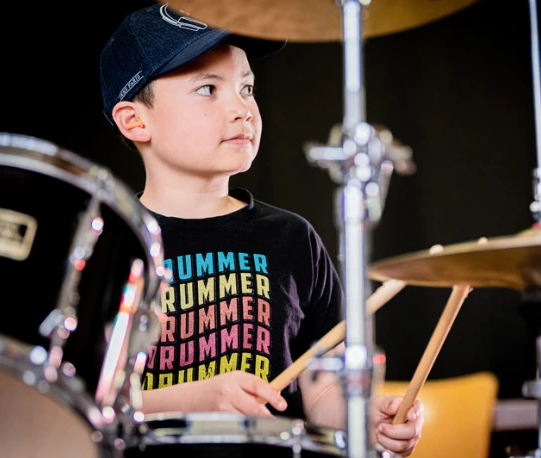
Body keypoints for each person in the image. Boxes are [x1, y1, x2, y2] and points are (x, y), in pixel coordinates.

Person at [99, 3, 424, 455]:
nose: (243, 109)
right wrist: (191, 400)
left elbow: (322, 392)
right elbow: (77, 400)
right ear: (135, 120)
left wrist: (363, 419)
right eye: (208, 89)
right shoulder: (107, 244)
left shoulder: (290, 237)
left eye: (246, 88)